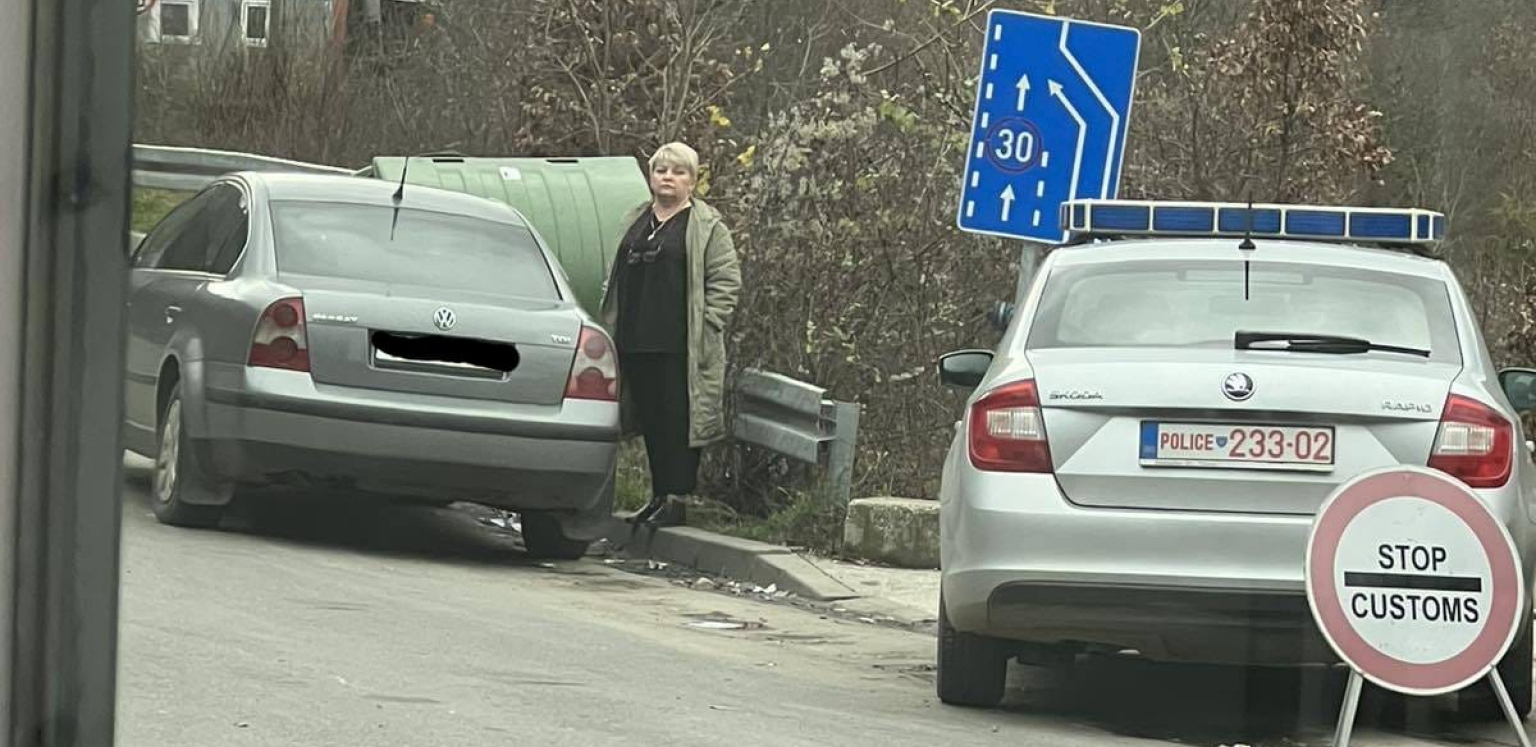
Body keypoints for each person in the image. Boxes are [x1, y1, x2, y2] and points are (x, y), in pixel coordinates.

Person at [601, 142, 741, 527]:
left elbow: (726, 280)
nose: (668, 177)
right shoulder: (636, 219)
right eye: (661, 170)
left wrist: (708, 323)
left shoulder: (706, 227)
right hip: (635, 340)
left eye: (678, 172)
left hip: (681, 345)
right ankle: (659, 495)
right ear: (651, 176)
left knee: (678, 421)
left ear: (692, 181)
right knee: (650, 420)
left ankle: (678, 500)